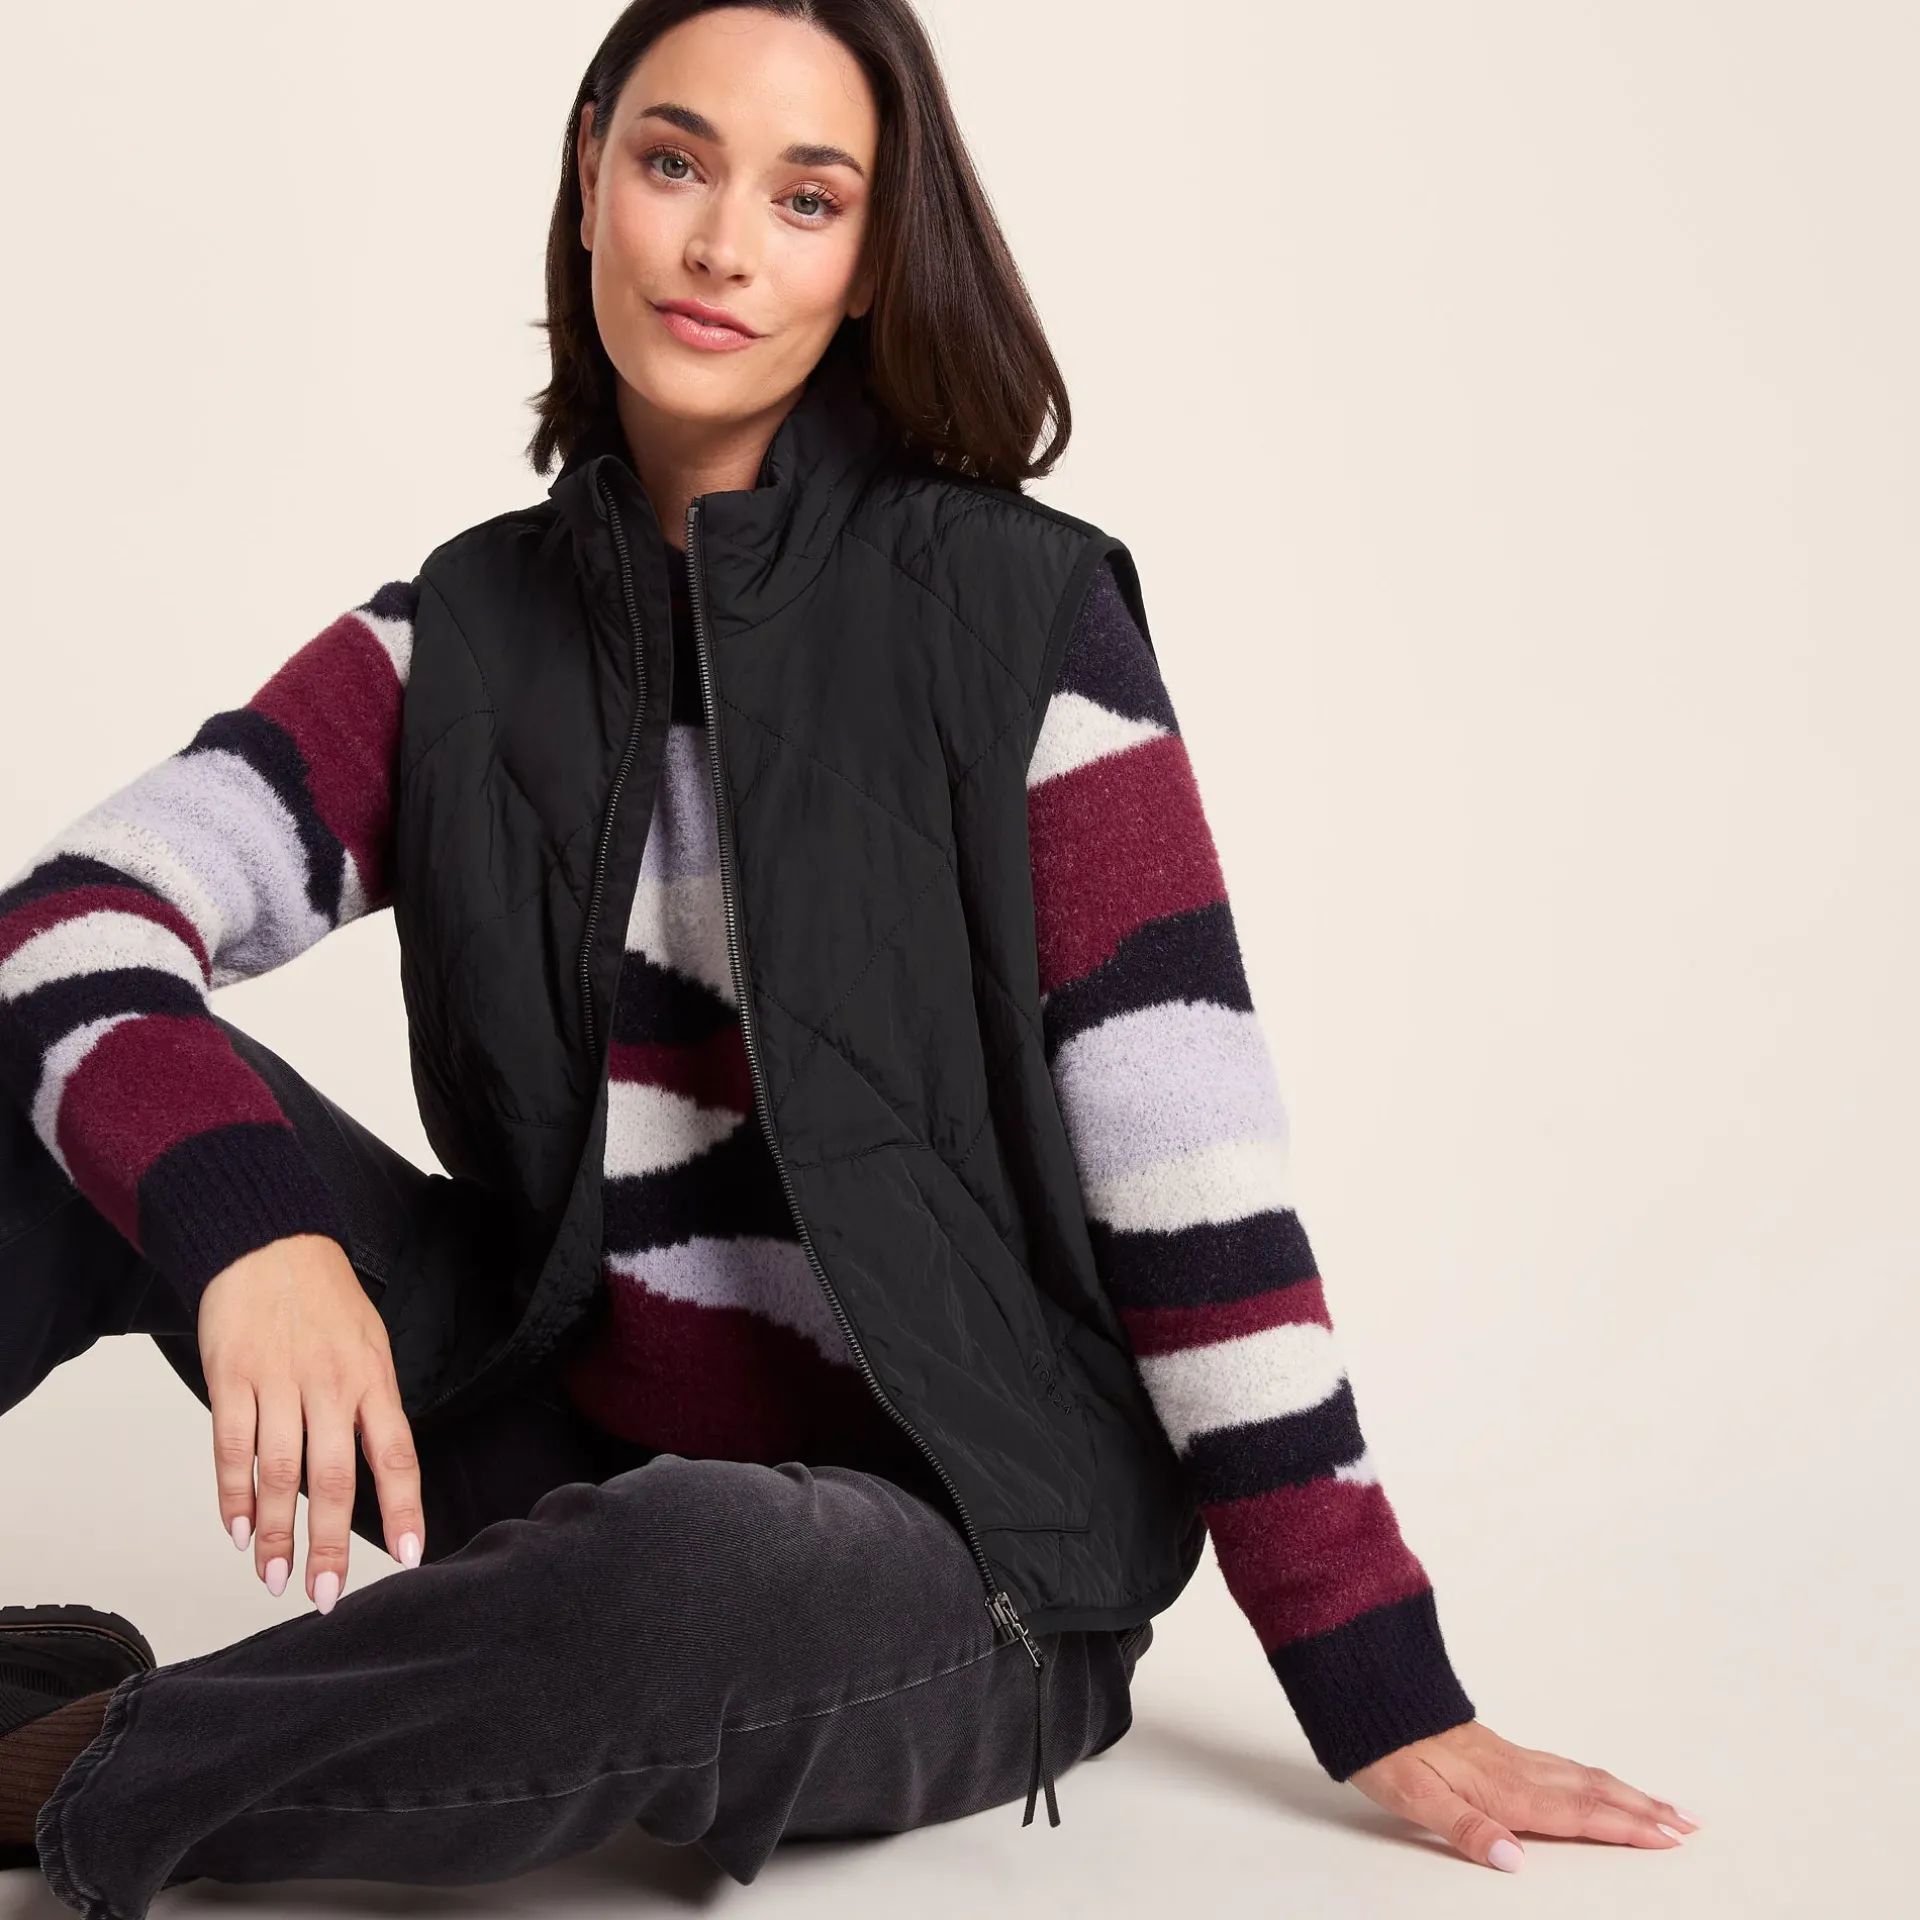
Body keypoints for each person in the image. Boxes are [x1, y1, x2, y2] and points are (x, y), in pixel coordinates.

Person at [0, 3, 1699, 1912]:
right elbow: (70, 921)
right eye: (675, 161)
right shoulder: (456, 638)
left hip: (950, 1560)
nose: (724, 243)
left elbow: (1197, 1193)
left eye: (807, 199)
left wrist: (1376, 1678)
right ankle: (401, 1664)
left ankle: (85, 1772)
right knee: (48, 1077)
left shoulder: (1024, 624)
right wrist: (257, 1238)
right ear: (590, 180)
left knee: (694, 1573)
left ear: (875, 260)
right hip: (542, 1424)